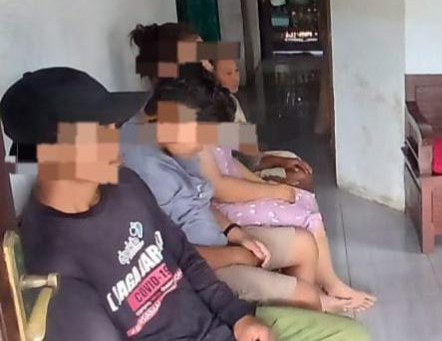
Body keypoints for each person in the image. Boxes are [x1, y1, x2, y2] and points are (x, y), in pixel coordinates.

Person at [2, 67, 370, 341]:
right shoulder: (51, 257)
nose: (117, 141)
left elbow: (183, 255)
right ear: (55, 153)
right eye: (101, 132)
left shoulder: (125, 186)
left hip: (211, 330)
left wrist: (237, 316)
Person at [121, 76, 359, 313]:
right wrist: (236, 255)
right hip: (200, 268)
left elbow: (200, 200)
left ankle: (301, 312)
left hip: (219, 239)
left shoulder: (163, 129)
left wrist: (236, 233)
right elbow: (168, 253)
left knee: (304, 245)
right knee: (307, 296)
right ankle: (302, 309)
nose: (200, 148)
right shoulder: (142, 169)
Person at [203, 59, 375, 311]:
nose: (236, 77)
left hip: (237, 192)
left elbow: (236, 161)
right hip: (228, 205)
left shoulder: (222, 111)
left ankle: (320, 285)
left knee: (304, 197)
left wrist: (265, 182)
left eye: (236, 70)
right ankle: (327, 286)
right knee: (305, 216)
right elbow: (221, 185)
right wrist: (273, 190)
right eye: (227, 72)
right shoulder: (198, 132)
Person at [129, 22, 315, 189]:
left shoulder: (207, 103)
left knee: (298, 176)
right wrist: (271, 188)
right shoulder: (181, 115)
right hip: (220, 192)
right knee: (299, 181)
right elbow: (216, 183)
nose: (209, 66)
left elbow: (238, 156)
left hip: (232, 177)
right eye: (201, 59)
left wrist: (273, 169)